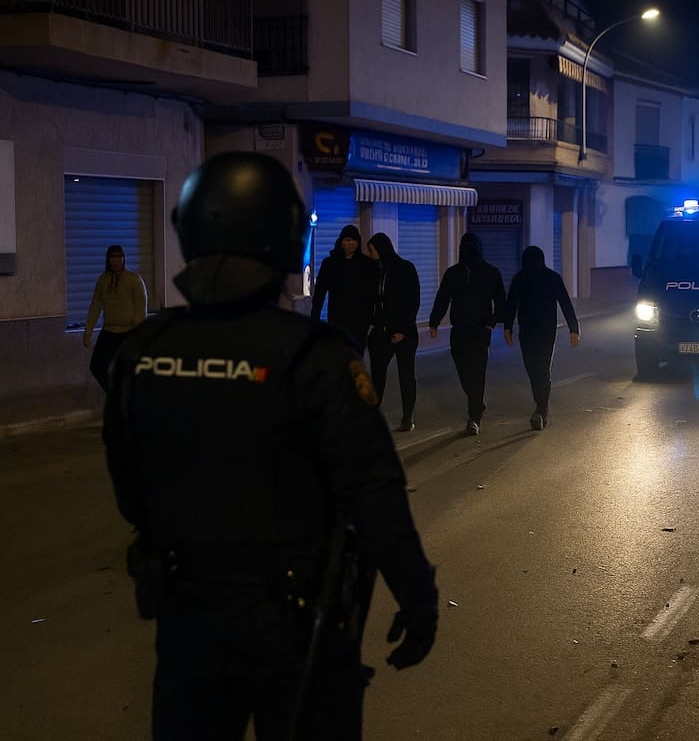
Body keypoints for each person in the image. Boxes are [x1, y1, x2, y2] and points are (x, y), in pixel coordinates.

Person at [102, 152, 437, 741]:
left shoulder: (141, 355)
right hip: (298, 628)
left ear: (189, 232)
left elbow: (130, 492)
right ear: (283, 240)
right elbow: (375, 493)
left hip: (188, 622)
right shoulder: (318, 358)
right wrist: (416, 595)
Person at [429, 232, 506, 436]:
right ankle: (477, 402)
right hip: (459, 330)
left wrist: (492, 322)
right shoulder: (454, 273)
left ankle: (474, 416)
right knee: (464, 372)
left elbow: (500, 302)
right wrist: (434, 321)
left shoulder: (491, 272)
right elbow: (443, 297)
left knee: (477, 372)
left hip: (480, 330)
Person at [503, 245, 581, 430]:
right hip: (541, 331)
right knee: (538, 369)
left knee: (537, 368)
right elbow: (512, 304)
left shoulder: (531, 278)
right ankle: (541, 405)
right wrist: (574, 329)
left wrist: (508, 327)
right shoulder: (531, 278)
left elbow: (564, 302)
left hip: (533, 332)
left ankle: (541, 408)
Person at [365, 232, 421, 431]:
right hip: (382, 332)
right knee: (378, 375)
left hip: (404, 333)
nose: (370, 254)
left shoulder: (405, 268)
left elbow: (413, 301)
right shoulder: (376, 271)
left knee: (406, 375)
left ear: (381, 249)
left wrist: (403, 329)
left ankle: (408, 418)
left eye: (372, 251)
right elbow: (373, 302)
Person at [83, 244, 148, 390]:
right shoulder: (103, 280)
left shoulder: (134, 280)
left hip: (129, 332)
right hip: (109, 332)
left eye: (119, 256)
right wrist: (88, 330)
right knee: (97, 366)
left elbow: (141, 308)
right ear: (108, 259)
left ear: (124, 258)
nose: (116, 260)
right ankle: (115, 394)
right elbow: (95, 305)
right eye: (112, 256)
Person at [311, 223, 377, 349]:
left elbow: (372, 294)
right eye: (347, 240)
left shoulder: (366, 264)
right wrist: (315, 317)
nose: (351, 243)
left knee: (356, 355)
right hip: (337, 317)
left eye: (354, 241)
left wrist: (372, 320)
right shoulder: (330, 263)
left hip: (359, 320)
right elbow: (320, 292)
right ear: (341, 241)